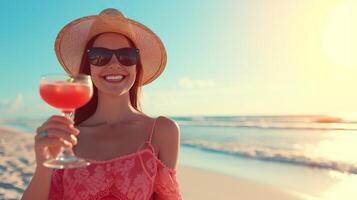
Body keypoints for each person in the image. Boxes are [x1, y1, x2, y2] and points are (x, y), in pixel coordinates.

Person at [22, 8, 183, 200]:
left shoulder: (163, 131)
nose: (114, 63)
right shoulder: (68, 139)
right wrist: (43, 167)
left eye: (126, 55)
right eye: (99, 55)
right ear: (88, 67)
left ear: (136, 66)